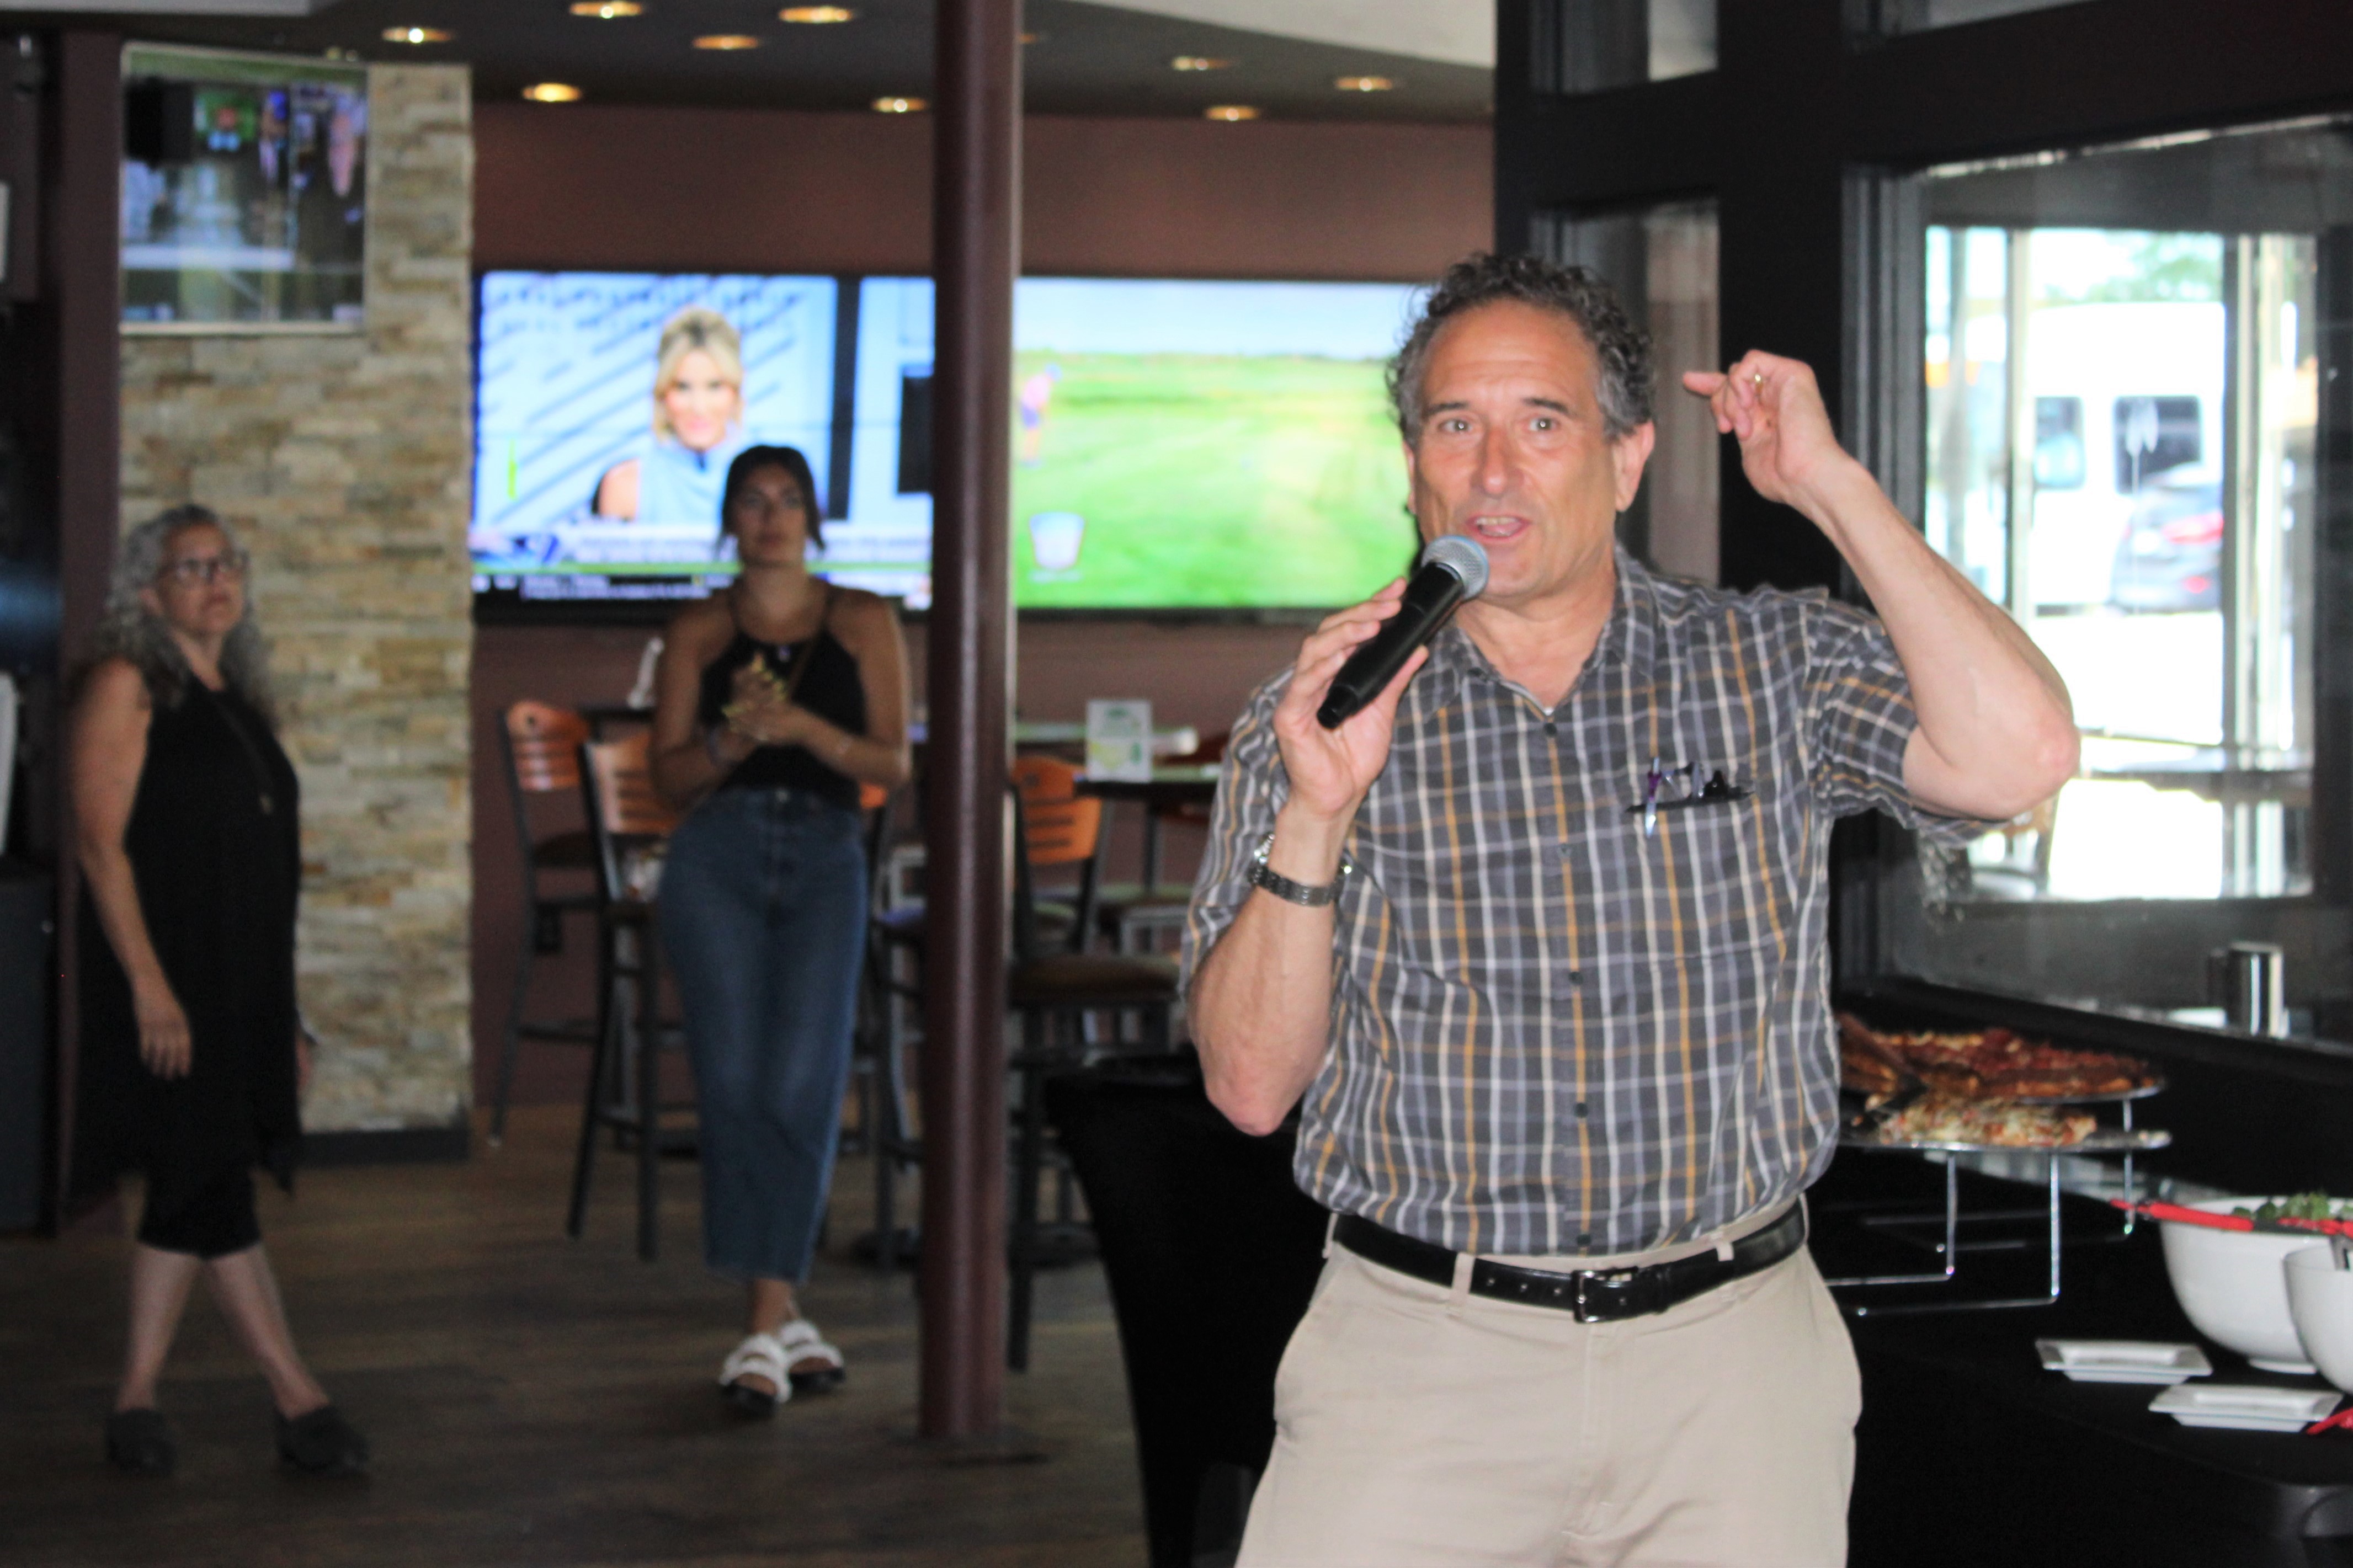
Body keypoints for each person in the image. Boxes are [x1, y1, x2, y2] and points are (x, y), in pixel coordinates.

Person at [1183, 253, 2079, 1566]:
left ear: (1626, 459)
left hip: (1732, 1367)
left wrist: (1831, 488)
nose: (1493, 472)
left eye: (1541, 425)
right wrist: (1317, 808)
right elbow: (1252, 1088)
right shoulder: (1318, 716)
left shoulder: (1769, 662)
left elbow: (2024, 757)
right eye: (1455, 426)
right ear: (1411, 464)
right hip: (1421, 1357)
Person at [71, 506, 368, 1479]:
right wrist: (151, 988)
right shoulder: (128, 683)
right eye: (189, 568)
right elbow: (99, 846)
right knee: (211, 1182)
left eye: (225, 564)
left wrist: (285, 1017)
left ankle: (135, 1399)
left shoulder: (236, 695)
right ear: (148, 594)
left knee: (194, 1184)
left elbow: (256, 873)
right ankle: (296, 1394)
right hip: (168, 983)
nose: (213, 581)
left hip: (239, 989)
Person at [647, 444, 911, 1416]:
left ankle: (765, 1317)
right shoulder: (695, 628)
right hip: (714, 857)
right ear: (728, 517)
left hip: (823, 854)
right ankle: (773, 1316)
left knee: (802, 1080)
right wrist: (729, 740)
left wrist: (801, 729)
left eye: (788, 500)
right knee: (733, 1080)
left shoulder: (860, 617)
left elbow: (894, 760)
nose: (770, 517)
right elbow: (664, 779)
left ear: (814, 515)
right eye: (751, 501)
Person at [594, 307, 752, 523]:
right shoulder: (625, 485)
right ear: (662, 394)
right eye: (683, 387)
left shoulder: (771, 486)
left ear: (736, 392)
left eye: (715, 386)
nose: (699, 407)